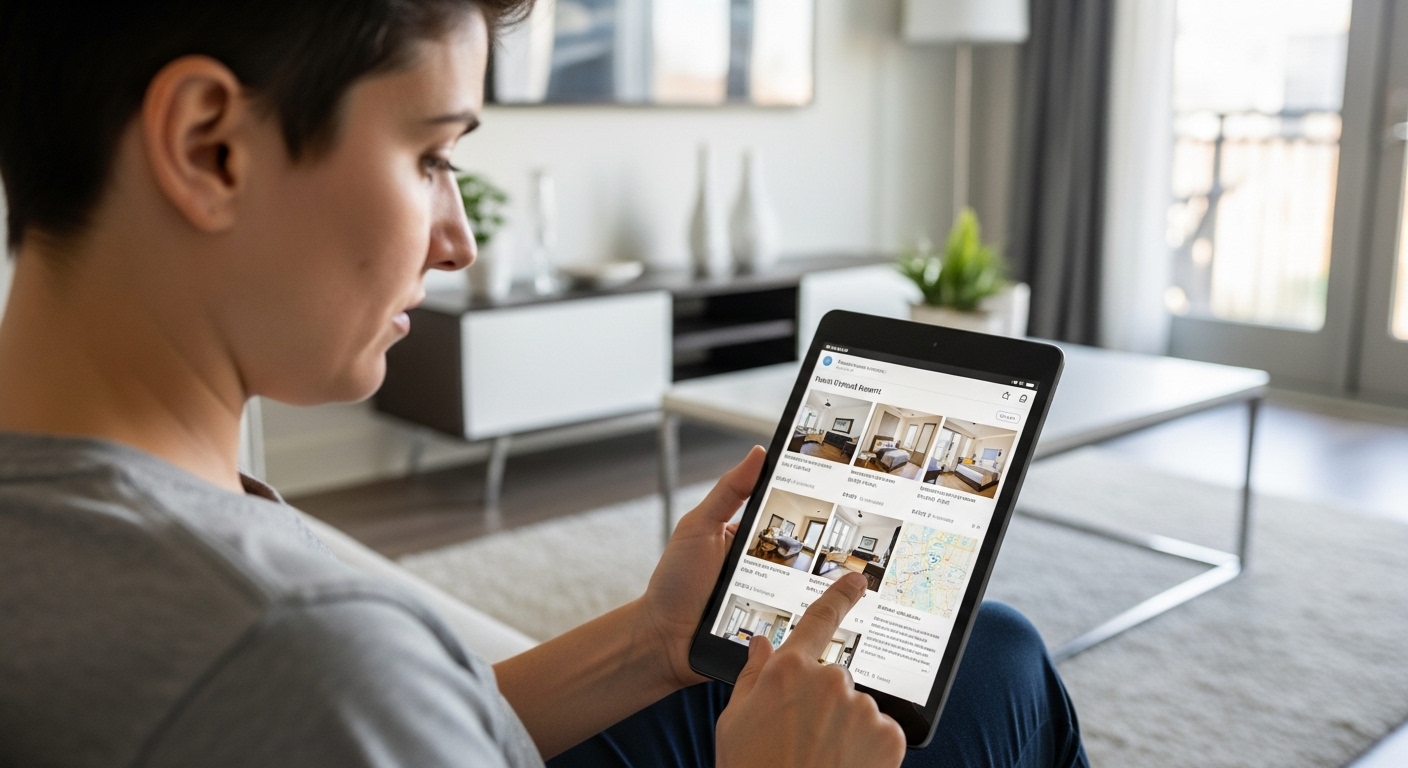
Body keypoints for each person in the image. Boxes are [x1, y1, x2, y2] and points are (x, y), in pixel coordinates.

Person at [0, 2, 1088, 766]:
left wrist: (652, 642)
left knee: (982, 649)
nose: (458, 241)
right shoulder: (296, 651)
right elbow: (334, 694)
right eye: (432, 157)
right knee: (1002, 670)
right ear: (209, 147)